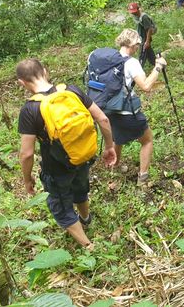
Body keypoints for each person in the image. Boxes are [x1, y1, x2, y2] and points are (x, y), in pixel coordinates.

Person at [17, 58, 117, 249]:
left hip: (56, 166)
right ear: (45, 71)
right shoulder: (72, 90)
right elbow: (103, 119)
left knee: (61, 206)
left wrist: (27, 178)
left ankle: (89, 247)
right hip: (82, 155)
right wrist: (109, 147)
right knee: (80, 187)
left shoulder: (29, 110)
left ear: (22, 83)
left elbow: (26, 154)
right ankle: (86, 218)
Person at [108, 29, 168, 184]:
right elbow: (146, 86)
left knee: (117, 137)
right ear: (133, 45)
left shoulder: (110, 58)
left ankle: (113, 171)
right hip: (127, 112)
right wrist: (158, 67)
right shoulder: (131, 62)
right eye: (137, 45)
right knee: (147, 140)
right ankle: (143, 177)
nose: (137, 48)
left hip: (109, 110)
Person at [128, 2, 157, 68]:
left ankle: (139, 69)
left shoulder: (144, 17)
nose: (133, 13)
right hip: (141, 37)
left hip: (145, 38)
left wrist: (147, 42)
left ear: (138, 9)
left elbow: (149, 29)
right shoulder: (136, 16)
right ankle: (155, 64)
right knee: (149, 53)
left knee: (142, 54)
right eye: (132, 12)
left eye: (134, 11)